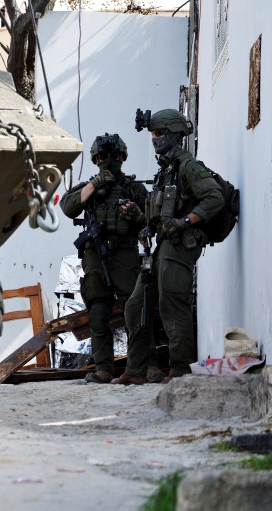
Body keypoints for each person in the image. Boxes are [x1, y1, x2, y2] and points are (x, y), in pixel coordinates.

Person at [113, 109, 224, 385]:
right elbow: (157, 217)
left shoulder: (189, 166)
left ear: (174, 135)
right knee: (135, 305)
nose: (154, 139)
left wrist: (185, 221)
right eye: (153, 133)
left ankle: (179, 371)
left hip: (180, 245)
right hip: (160, 246)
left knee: (172, 305)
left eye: (159, 133)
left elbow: (214, 197)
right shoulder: (166, 171)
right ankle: (136, 370)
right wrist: (138, 216)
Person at [60, 133, 162, 384]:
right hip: (95, 253)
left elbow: (154, 222)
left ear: (122, 157)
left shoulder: (134, 188)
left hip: (125, 253)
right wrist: (94, 184)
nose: (108, 161)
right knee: (97, 311)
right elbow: (68, 206)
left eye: (113, 156)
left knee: (137, 310)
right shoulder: (89, 188)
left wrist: (137, 217)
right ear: (96, 159)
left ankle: (145, 364)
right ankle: (104, 368)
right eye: (103, 157)